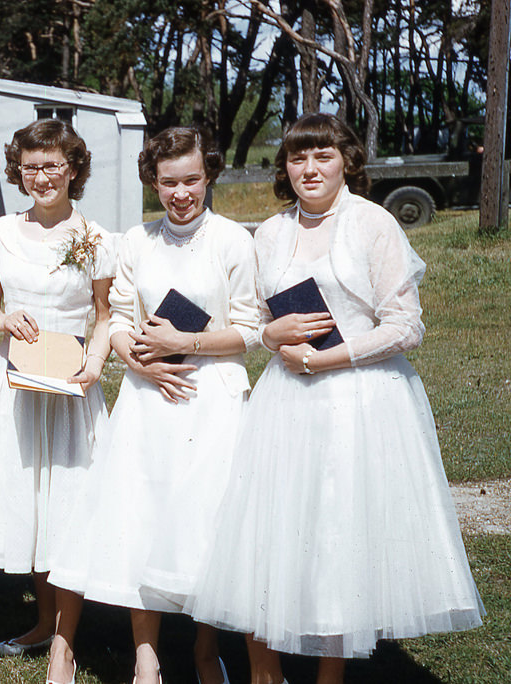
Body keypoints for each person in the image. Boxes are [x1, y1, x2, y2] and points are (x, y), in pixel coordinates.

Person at [187, 113, 485, 684]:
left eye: (322, 156)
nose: (310, 168)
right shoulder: (271, 232)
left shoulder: (373, 224)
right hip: (287, 400)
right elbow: (263, 316)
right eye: (298, 158)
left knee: (339, 537)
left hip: (360, 402)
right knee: (270, 532)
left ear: (346, 160)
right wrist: (272, 337)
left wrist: (326, 359)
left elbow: (405, 326)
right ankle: (264, 670)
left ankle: (329, 674)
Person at [48, 127, 258, 684]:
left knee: (204, 522)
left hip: (211, 393)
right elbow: (117, 319)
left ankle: (204, 645)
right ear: (153, 183)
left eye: (192, 180)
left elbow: (250, 331)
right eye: (169, 183)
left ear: (208, 176)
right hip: (148, 394)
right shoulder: (136, 242)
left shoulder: (234, 240)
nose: (181, 193)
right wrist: (140, 363)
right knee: (141, 518)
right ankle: (147, 654)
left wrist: (183, 344)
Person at [0, 119, 114, 684]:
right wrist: (5, 317)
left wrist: (94, 365)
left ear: (74, 168)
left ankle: (63, 642)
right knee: (30, 501)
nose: (41, 177)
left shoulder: (96, 238)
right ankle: (41, 622)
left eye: (52, 165)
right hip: (16, 383)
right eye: (30, 167)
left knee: (70, 505)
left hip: (72, 383)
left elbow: (106, 316)